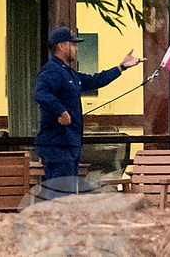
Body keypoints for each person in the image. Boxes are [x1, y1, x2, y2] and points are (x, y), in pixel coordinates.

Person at [34, 26, 145, 191]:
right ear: (61, 46)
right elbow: (41, 93)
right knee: (60, 192)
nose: (76, 48)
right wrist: (60, 111)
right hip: (57, 144)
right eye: (73, 44)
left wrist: (121, 67)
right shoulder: (52, 71)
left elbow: (95, 80)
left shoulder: (70, 73)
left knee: (68, 193)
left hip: (71, 142)